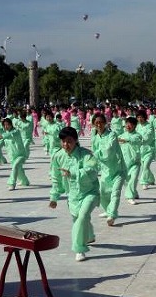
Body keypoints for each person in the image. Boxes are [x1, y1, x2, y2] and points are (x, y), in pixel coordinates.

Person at [48, 127, 100, 261]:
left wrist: (73, 173)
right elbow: (56, 178)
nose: (66, 145)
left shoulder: (86, 154)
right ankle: (89, 235)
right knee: (79, 219)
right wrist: (54, 197)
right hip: (72, 195)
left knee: (82, 216)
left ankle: (79, 249)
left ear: (76, 140)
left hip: (90, 192)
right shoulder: (58, 156)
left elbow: (93, 170)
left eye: (69, 141)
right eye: (63, 141)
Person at [91, 112, 126, 226]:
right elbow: (94, 156)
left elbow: (109, 151)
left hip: (118, 169)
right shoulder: (95, 138)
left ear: (105, 123)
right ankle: (107, 210)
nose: (99, 125)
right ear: (93, 125)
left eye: (101, 122)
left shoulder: (112, 135)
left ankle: (111, 215)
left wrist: (97, 154)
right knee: (102, 193)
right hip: (105, 171)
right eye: (96, 123)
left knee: (115, 193)